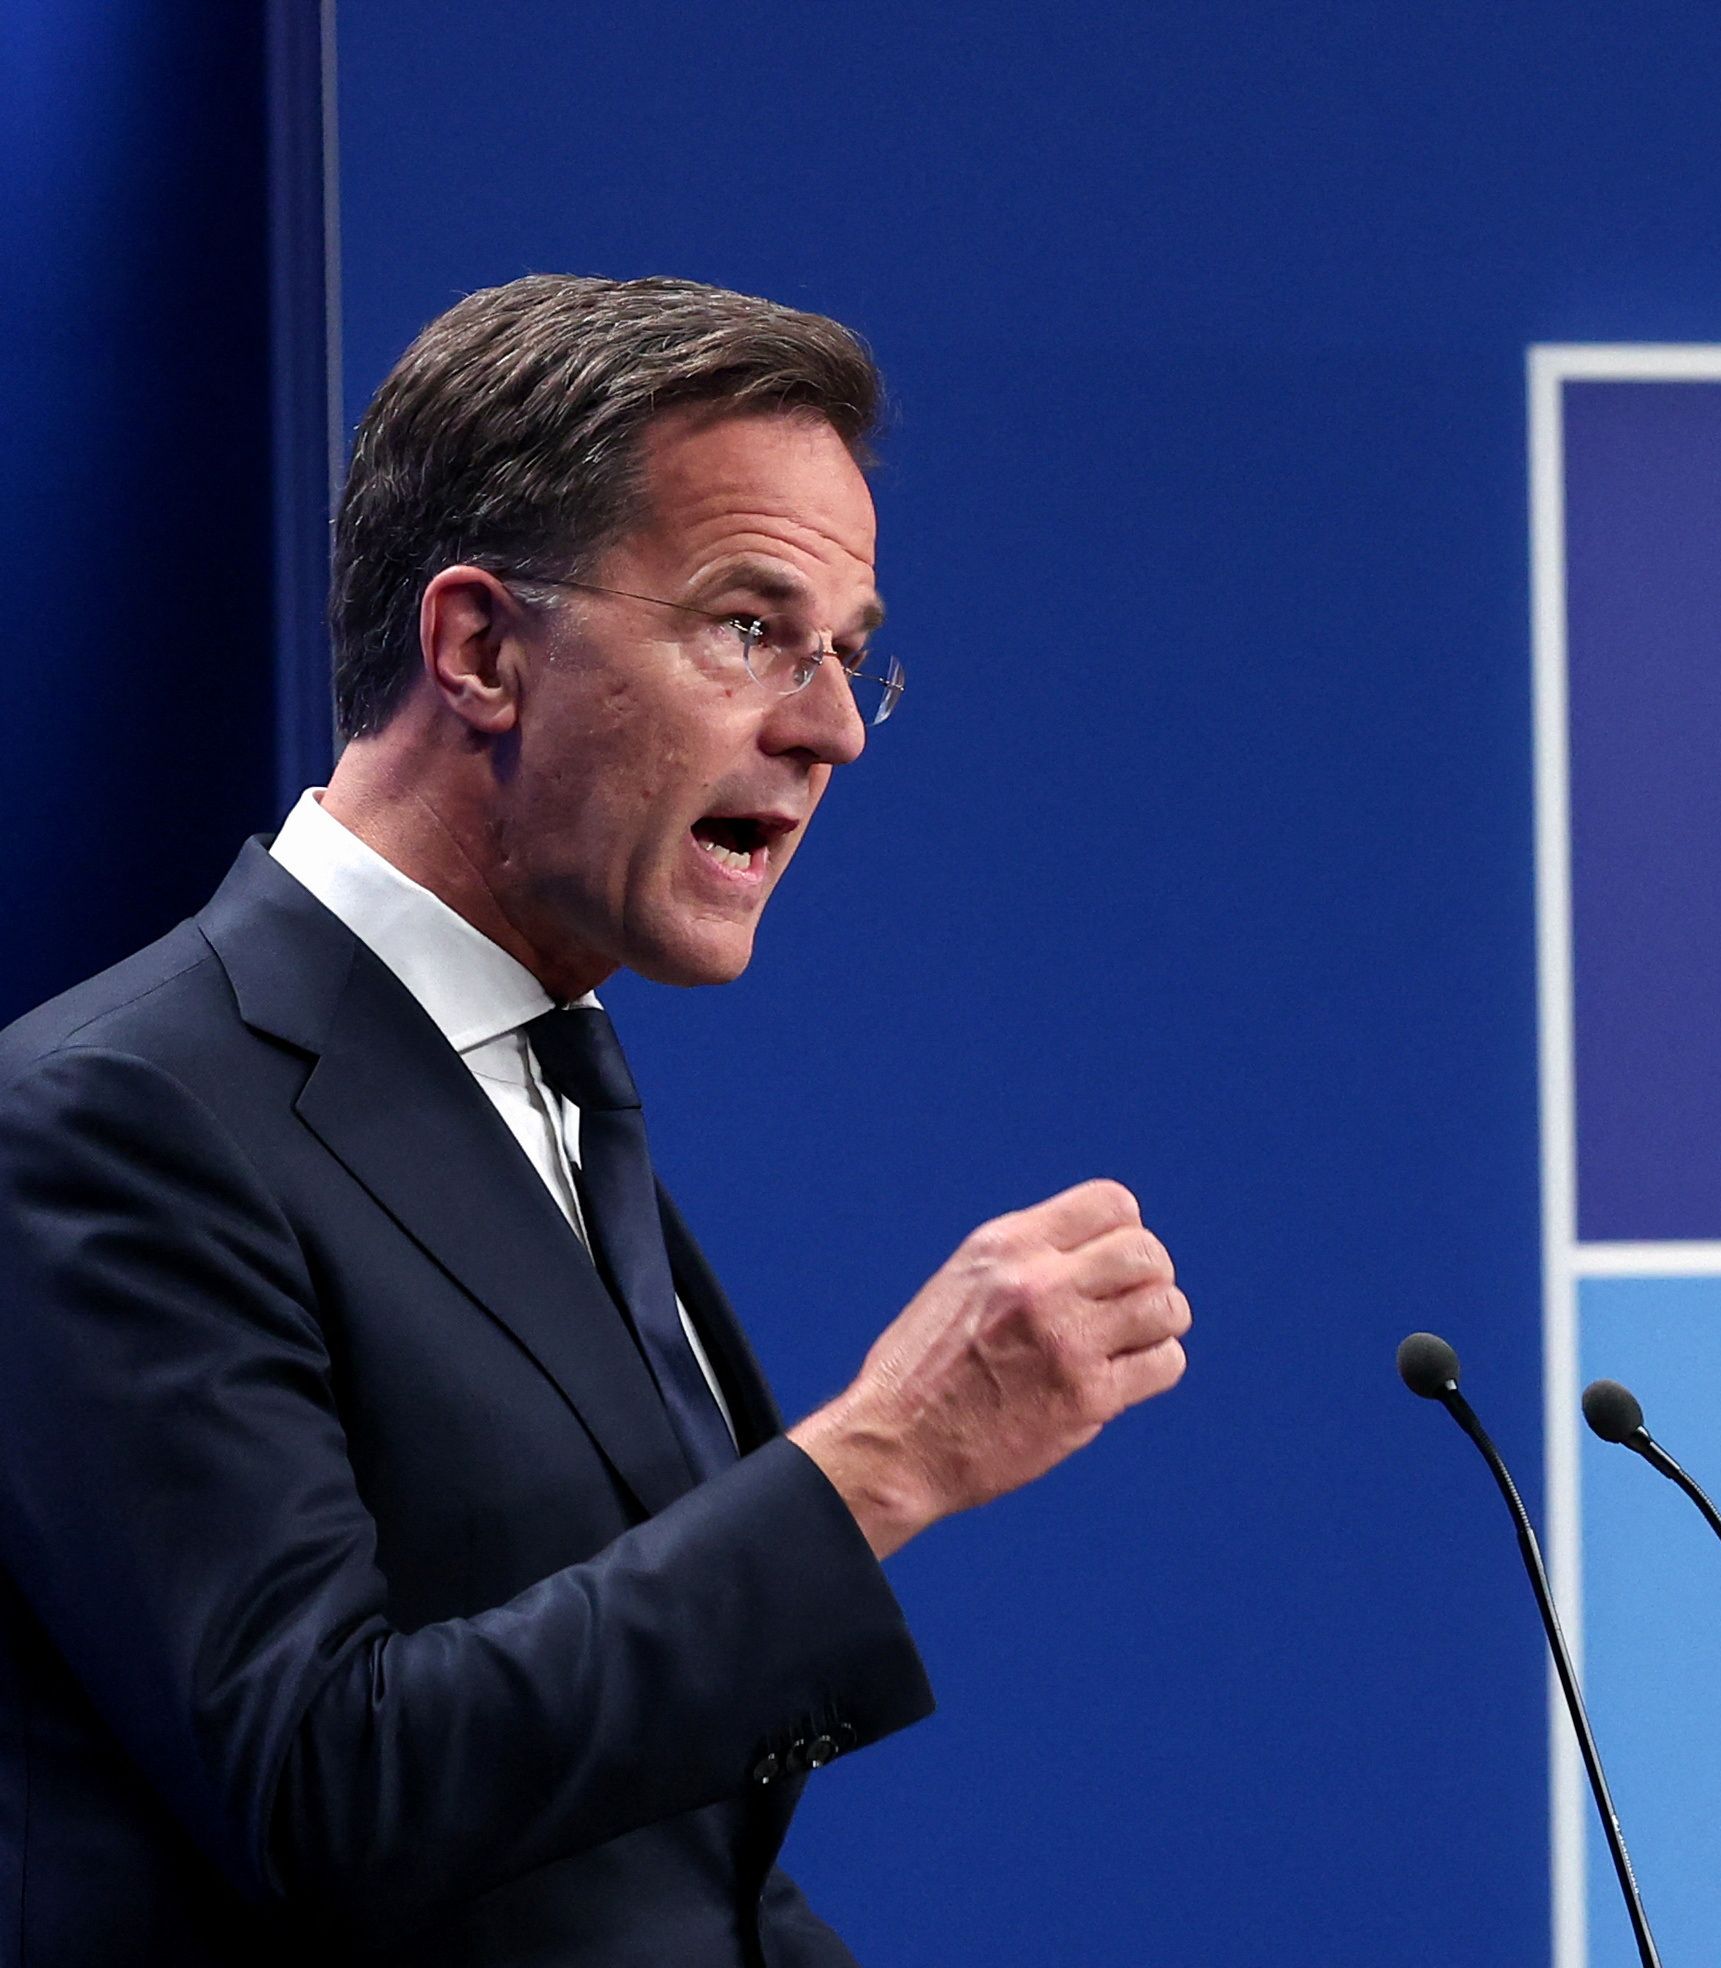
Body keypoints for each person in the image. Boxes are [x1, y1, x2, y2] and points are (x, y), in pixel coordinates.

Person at [0, 274, 1192, 1965]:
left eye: (850, 655)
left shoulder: (545, 1081)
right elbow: (325, 1787)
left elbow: (657, 1869)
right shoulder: (113, 1119)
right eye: (751, 627)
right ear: (480, 650)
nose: (830, 729)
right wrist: (882, 1459)